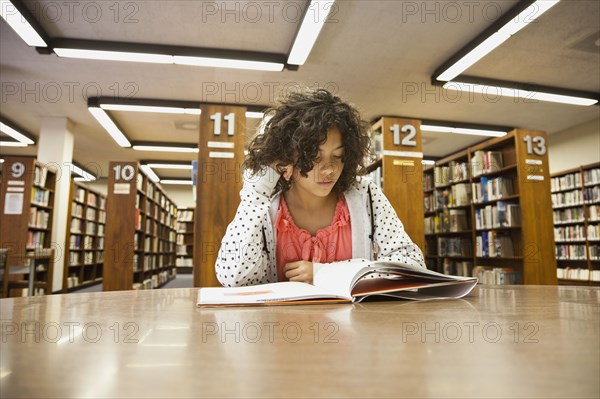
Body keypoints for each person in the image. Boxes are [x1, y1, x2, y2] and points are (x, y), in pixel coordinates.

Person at [216, 88, 425, 287]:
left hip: (353, 324)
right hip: (279, 324)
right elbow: (233, 277)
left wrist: (325, 273)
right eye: (315, 157)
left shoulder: (366, 194)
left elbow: (412, 264)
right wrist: (257, 191)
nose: (329, 170)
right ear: (287, 156)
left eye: (338, 156)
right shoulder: (264, 203)